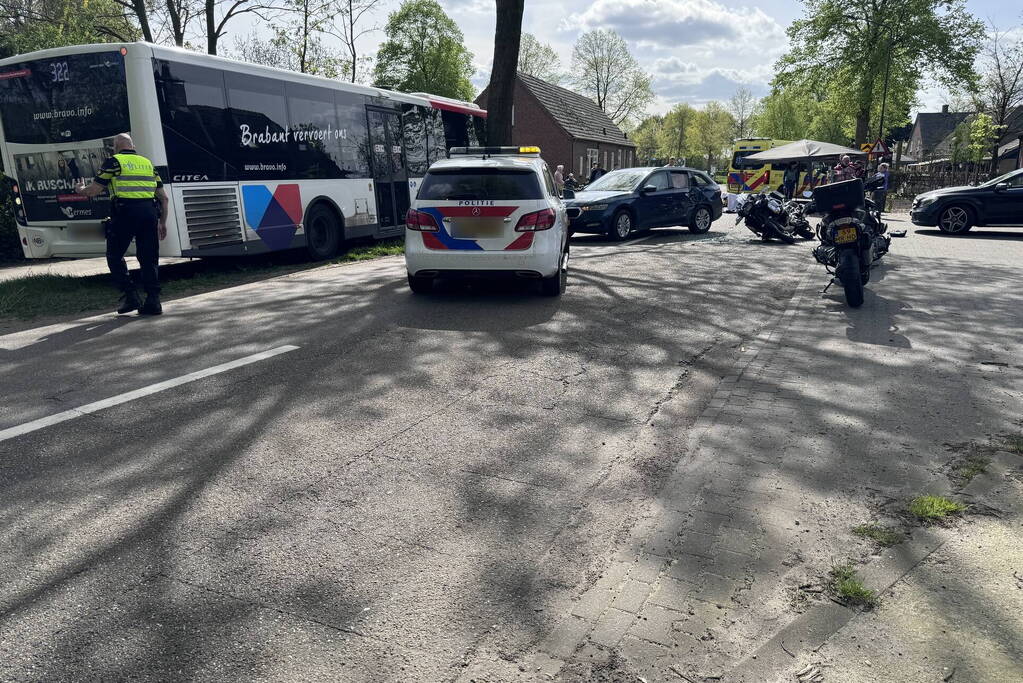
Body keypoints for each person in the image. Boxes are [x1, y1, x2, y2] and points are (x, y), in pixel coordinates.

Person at [75, 133, 168, 315]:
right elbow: (164, 198)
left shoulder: (114, 162)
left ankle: (131, 296)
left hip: (125, 213)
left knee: (114, 255)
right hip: (149, 214)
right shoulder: (148, 164)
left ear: (115, 147)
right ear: (132, 146)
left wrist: (80, 190)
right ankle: (153, 301)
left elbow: (93, 191)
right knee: (149, 257)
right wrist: (162, 223)